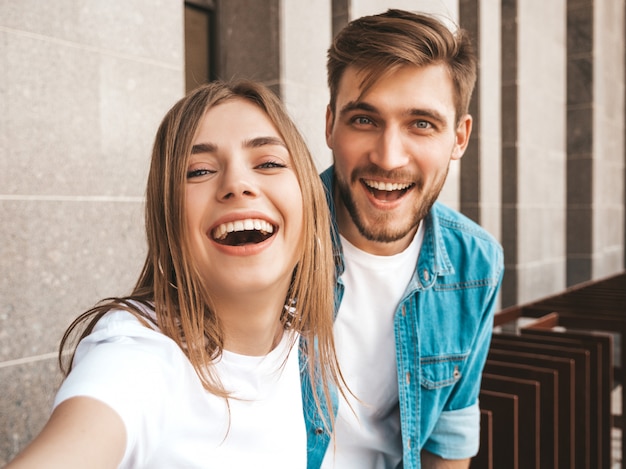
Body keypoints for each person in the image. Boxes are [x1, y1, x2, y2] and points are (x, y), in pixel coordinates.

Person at [6, 80, 345, 469]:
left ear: (310, 199)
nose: (237, 184)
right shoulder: (140, 354)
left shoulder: (300, 341)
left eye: (268, 163)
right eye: (198, 170)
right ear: (168, 218)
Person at [305, 9, 505, 469]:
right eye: (364, 120)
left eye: (421, 124)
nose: (389, 157)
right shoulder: (269, 237)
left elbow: (450, 437)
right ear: (331, 124)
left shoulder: (475, 263)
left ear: (459, 138)